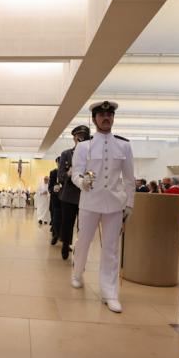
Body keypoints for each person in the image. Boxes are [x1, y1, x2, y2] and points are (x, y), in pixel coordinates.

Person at [70, 100, 135, 313]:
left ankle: (110, 292)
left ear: (113, 118)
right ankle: (77, 273)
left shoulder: (124, 145)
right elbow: (76, 173)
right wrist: (82, 182)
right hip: (90, 202)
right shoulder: (84, 146)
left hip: (114, 203)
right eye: (102, 115)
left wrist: (129, 203)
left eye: (110, 115)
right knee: (83, 242)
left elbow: (129, 178)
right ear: (94, 119)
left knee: (111, 249)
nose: (106, 118)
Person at [58, 125, 90, 260]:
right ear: (74, 138)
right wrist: (68, 174)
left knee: (83, 226)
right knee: (67, 224)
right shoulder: (66, 154)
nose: (81, 139)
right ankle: (65, 245)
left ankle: (80, 248)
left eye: (84, 137)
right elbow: (60, 176)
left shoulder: (92, 154)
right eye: (79, 137)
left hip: (85, 195)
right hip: (69, 195)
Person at [48, 157, 62, 245]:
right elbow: (50, 187)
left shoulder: (68, 172)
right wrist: (54, 189)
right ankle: (55, 235)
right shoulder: (53, 173)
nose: (60, 164)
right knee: (55, 218)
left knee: (65, 220)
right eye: (58, 162)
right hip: (55, 199)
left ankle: (64, 240)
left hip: (65, 199)